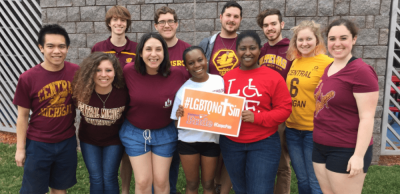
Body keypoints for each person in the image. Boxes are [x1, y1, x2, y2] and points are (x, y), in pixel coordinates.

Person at [221, 30, 292, 193]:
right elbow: (214, 107)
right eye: (242, 48)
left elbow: (285, 109)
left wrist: (257, 117)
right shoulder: (227, 78)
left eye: (252, 48)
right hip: (231, 144)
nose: (247, 53)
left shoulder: (273, 77)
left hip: (264, 143)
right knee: (240, 189)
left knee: (260, 190)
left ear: (260, 50)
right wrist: (187, 111)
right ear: (236, 51)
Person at [312, 19, 379, 194]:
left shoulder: (361, 71)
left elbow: (367, 117)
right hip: (320, 146)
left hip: (345, 148)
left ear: (354, 39)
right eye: (332, 38)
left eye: (343, 38)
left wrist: (358, 156)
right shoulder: (329, 67)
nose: (337, 43)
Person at [13, 24, 79, 194]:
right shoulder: (27, 78)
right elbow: (22, 116)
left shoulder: (76, 72)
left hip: (66, 141)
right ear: (41, 48)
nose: (56, 51)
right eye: (50, 46)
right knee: (33, 190)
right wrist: (20, 149)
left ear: (67, 48)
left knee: (60, 189)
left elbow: (81, 102)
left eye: (61, 46)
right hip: (38, 144)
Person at [119, 32, 187, 194]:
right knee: (143, 182)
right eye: (148, 49)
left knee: (162, 182)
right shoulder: (129, 71)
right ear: (141, 53)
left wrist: (184, 110)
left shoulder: (177, 74)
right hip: (134, 133)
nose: (153, 54)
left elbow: (194, 95)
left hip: (165, 133)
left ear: (165, 53)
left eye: (158, 49)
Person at [90, 5, 138, 193]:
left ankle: (124, 190)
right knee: (106, 153)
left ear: (127, 24)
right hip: (106, 109)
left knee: (126, 153)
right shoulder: (99, 48)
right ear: (109, 23)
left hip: (129, 109)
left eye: (123, 20)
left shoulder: (136, 48)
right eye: (115, 20)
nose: (119, 23)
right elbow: (90, 76)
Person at [285, 20, 334, 194]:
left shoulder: (327, 62)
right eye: (300, 39)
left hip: (313, 130)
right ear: (295, 42)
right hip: (292, 128)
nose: (304, 43)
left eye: (308, 39)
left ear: (317, 39)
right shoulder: (295, 61)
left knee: (315, 180)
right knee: (302, 178)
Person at [72, 52, 128, 194]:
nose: (103, 75)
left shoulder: (123, 93)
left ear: (115, 72)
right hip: (88, 141)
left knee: (109, 177)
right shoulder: (81, 91)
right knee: (96, 178)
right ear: (91, 72)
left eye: (108, 70)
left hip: (114, 142)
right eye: (98, 70)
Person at [171, 46, 224, 194]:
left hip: (212, 141)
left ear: (206, 59)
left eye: (200, 60)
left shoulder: (219, 81)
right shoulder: (184, 90)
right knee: (192, 184)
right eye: (191, 63)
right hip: (188, 142)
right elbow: (176, 123)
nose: (197, 65)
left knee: (208, 184)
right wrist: (180, 115)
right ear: (186, 66)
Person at [154, 6, 191, 194]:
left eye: (170, 21)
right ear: (156, 26)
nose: (166, 25)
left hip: (179, 118)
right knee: (155, 170)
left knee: (173, 163)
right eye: (162, 22)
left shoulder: (187, 50)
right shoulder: (151, 50)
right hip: (155, 117)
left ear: (177, 24)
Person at [256, 9, 293, 194]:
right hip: (262, 113)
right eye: (266, 25)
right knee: (266, 161)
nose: (269, 28)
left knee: (282, 163)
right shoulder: (261, 50)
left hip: (282, 113)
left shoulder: (292, 49)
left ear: (282, 25)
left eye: (273, 24)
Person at [199, 1, 242, 77]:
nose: (231, 20)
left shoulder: (246, 44)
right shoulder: (207, 44)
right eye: (228, 15)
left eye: (236, 16)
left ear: (240, 20)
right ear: (221, 17)